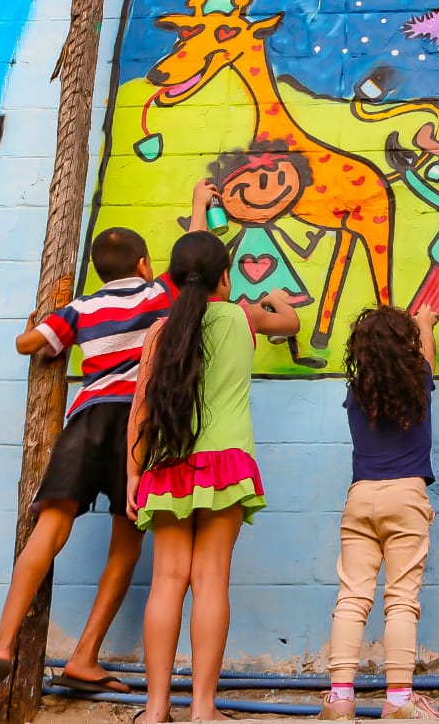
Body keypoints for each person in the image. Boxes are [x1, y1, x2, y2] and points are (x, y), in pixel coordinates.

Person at [0, 225, 183, 717]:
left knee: (48, 531)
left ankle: (1, 646)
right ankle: (85, 655)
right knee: (127, 542)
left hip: (88, 418)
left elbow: (28, 343)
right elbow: (194, 263)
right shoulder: (160, 292)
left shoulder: (82, 308)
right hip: (140, 423)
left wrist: (40, 324)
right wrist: (200, 208)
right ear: (142, 264)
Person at [127, 230, 301, 724]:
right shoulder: (242, 316)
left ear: (176, 280)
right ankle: (203, 708)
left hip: (166, 465)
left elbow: (139, 411)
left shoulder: (161, 331)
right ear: (226, 276)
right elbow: (288, 321)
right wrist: (273, 295)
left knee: (166, 581)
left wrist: (131, 477)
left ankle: (155, 710)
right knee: (210, 580)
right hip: (225, 461)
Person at [319, 304, 439, 720]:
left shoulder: (356, 394)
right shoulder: (418, 382)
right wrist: (425, 324)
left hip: (360, 497)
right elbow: (427, 356)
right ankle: (398, 700)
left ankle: (340, 698)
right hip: (406, 497)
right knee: (402, 601)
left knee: (352, 597)